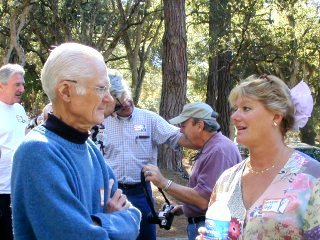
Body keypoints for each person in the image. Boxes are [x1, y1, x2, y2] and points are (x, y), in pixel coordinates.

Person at [11, 42, 141, 240]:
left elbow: (134, 217)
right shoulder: (38, 152)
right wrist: (107, 221)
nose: (110, 100)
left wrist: (96, 223)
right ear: (65, 91)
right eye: (101, 88)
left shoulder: (89, 149)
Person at [196, 74, 320, 239]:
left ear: (276, 116)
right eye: (235, 108)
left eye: (246, 108)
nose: (234, 116)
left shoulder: (312, 179)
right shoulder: (226, 180)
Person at [102, 69, 191, 240]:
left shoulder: (149, 119)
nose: (126, 104)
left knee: (146, 236)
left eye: (127, 97)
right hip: (112, 192)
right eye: (119, 105)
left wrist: (210, 141)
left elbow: (177, 137)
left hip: (141, 191)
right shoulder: (101, 122)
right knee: (114, 235)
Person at [143, 102, 242, 240]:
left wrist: (163, 182)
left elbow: (203, 200)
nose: (181, 131)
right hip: (204, 225)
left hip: (211, 230)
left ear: (200, 126)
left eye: (184, 126)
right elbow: (211, 196)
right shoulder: (213, 147)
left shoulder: (219, 151)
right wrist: (184, 208)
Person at [0, 63, 27, 240]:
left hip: (19, 188)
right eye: (17, 84)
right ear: (1, 85)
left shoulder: (19, 110)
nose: (22, 89)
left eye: (22, 84)